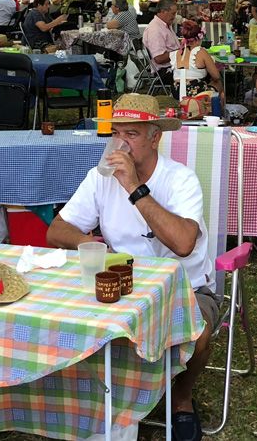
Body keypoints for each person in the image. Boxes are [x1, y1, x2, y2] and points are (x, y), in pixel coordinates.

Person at [46, 94, 214, 441]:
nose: (120, 144)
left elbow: (183, 243)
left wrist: (135, 188)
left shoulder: (180, 180)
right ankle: (100, 404)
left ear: (155, 138)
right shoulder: (100, 178)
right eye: (116, 133)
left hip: (185, 288)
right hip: (123, 284)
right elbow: (56, 230)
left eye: (131, 134)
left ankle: (181, 399)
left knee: (197, 334)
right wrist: (92, 245)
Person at [173, 20, 223, 98]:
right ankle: (218, 105)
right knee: (218, 83)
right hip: (194, 91)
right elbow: (216, 76)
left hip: (176, 91)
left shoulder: (177, 52)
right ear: (199, 38)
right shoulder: (201, 52)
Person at [144, 0, 181, 84]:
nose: (174, 16)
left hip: (172, 66)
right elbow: (159, 58)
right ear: (163, 11)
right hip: (164, 71)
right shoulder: (155, 30)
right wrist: (180, 52)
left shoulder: (164, 25)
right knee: (199, 69)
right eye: (173, 13)